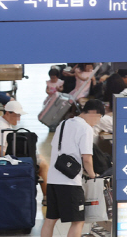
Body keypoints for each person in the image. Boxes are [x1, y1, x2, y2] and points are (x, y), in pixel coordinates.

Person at [41, 100, 105, 237]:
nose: (98, 122)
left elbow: (56, 147)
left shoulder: (63, 124)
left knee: (50, 219)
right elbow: (87, 158)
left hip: (53, 179)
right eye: (99, 117)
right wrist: (93, 175)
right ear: (94, 113)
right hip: (70, 182)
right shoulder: (86, 128)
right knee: (78, 221)